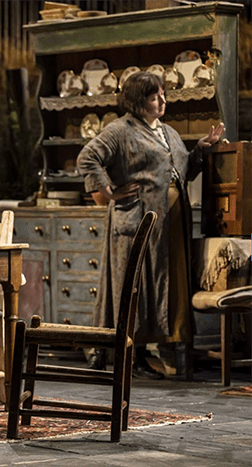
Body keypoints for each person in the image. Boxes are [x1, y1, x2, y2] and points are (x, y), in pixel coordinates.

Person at [77, 72, 225, 379]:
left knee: (165, 284)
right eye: (154, 97)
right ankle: (133, 356)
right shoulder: (120, 130)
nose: (162, 101)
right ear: (137, 101)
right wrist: (108, 191)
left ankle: (166, 351)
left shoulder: (168, 132)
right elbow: (87, 157)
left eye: (162, 95)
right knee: (136, 285)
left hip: (171, 221)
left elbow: (184, 170)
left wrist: (201, 149)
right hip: (138, 220)